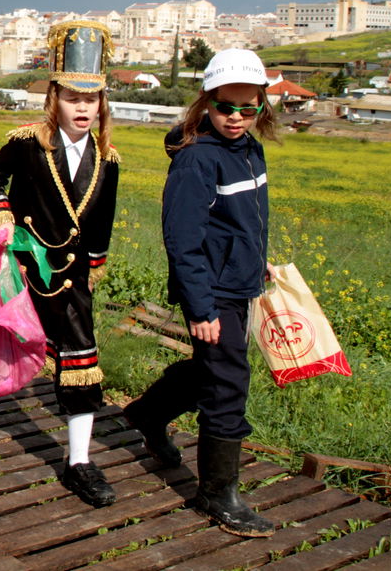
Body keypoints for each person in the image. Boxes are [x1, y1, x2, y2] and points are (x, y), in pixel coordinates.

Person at [123, 48, 279, 537]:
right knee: (228, 383)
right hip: (214, 292)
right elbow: (183, 241)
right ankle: (216, 494)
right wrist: (201, 306)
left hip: (240, 282)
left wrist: (258, 261)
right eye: (224, 108)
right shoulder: (196, 161)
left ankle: (147, 414)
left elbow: (241, 221)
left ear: (261, 106)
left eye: (247, 108)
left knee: (212, 368)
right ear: (205, 104)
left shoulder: (250, 149)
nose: (236, 117)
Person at [0, 21, 121, 507]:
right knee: (3, 341)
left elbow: (101, 222)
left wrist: (94, 266)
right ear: (53, 98)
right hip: (23, 267)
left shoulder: (109, 160)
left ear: (102, 104)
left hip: (72, 280)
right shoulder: (28, 143)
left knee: (81, 362)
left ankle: (79, 461)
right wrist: (1, 215)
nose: (82, 108)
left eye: (91, 100)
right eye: (73, 98)